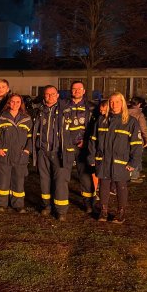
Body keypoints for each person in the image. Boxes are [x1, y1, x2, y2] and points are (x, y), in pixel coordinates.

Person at [89, 93, 143, 224]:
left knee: (120, 186)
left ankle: (121, 213)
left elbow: (136, 144)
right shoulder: (101, 120)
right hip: (103, 160)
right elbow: (93, 141)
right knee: (104, 186)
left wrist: (133, 162)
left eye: (117, 102)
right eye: (111, 102)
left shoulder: (130, 122)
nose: (114, 105)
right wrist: (92, 158)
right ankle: (103, 211)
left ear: (122, 103)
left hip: (121, 162)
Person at [33, 85, 81, 221]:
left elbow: (76, 128)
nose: (50, 97)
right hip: (43, 152)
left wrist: (72, 143)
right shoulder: (39, 110)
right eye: (47, 94)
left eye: (53, 94)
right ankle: (47, 206)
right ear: (44, 96)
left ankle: (60, 211)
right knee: (44, 181)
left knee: (61, 181)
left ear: (58, 95)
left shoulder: (66, 109)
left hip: (60, 153)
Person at [0, 94, 33, 213]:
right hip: (4, 155)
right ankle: (1, 204)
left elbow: (31, 138)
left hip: (20, 155)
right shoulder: (1, 118)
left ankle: (18, 204)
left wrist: (27, 150)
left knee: (19, 181)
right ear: (9, 103)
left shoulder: (27, 119)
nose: (15, 104)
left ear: (21, 104)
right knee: (3, 180)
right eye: (12, 102)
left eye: (18, 102)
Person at [62, 81, 97, 213]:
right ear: (71, 91)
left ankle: (89, 203)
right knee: (63, 174)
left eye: (79, 89)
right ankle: (61, 200)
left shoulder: (92, 107)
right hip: (67, 146)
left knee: (86, 175)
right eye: (74, 89)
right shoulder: (63, 105)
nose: (76, 91)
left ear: (84, 91)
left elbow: (95, 127)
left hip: (84, 146)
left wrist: (87, 141)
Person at [127, 96, 147, 183]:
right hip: (137, 139)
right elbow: (143, 128)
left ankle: (132, 173)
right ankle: (134, 175)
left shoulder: (125, 112)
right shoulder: (139, 115)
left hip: (125, 138)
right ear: (139, 104)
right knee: (137, 156)